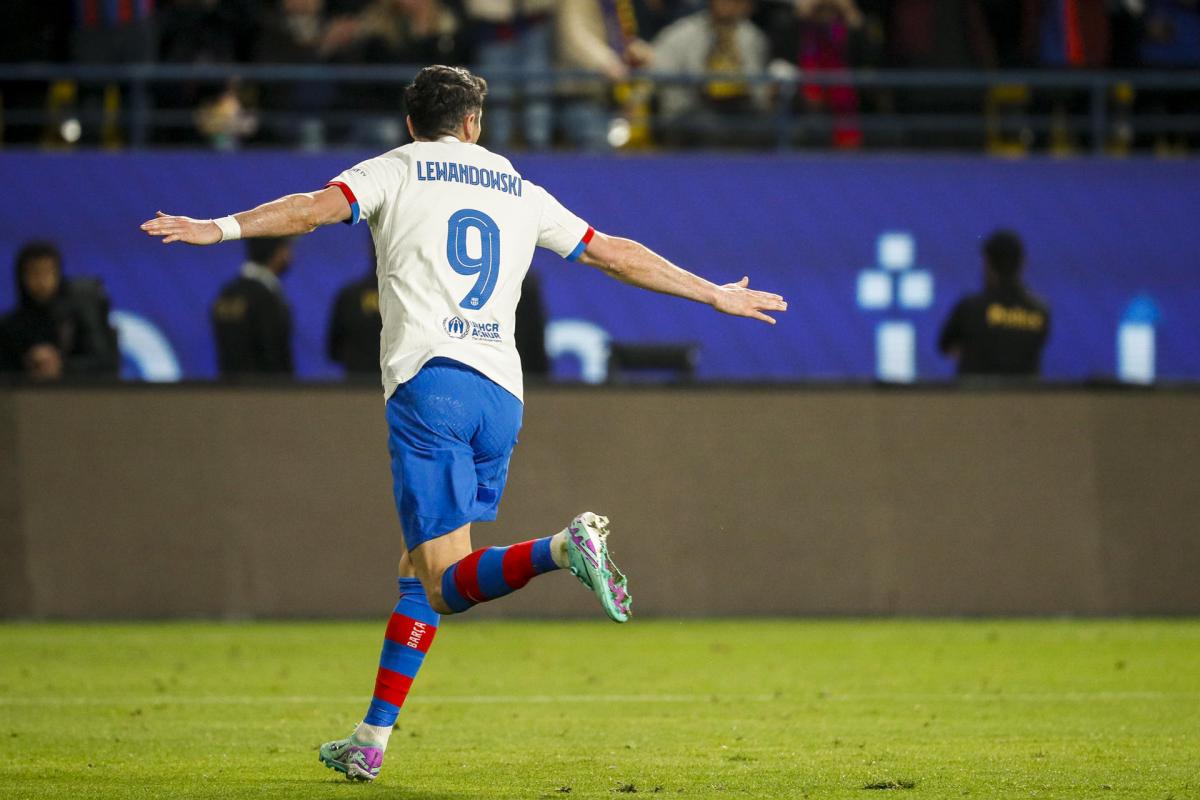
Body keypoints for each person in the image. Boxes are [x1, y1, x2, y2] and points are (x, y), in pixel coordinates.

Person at [140, 64, 786, 783]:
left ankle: (562, 549)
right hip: (500, 399)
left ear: (411, 122)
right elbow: (614, 254)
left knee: (446, 581)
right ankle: (371, 737)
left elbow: (311, 208)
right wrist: (713, 295)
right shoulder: (518, 187)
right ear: (474, 122)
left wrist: (218, 227)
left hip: (430, 385)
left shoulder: (395, 169)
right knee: (418, 574)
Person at [650, 0, 771, 146]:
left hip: (740, 107)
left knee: (764, 127)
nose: (728, 5)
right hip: (694, 106)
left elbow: (759, 84)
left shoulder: (752, 36)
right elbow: (656, 68)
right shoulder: (682, 32)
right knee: (707, 127)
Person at [938, 229, 1050, 377]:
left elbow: (946, 347)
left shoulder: (970, 309)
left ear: (987, 263)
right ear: (1022, 263)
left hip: (975, 397)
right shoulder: (1040, 311)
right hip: (1024, 398)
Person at [0, 241, 118, 381]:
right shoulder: (10, 326)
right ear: (21, 277)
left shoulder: (76, 319)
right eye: (34, 273)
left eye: (47, 272)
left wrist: (61, 365)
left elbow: (105, 365)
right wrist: (29, 364)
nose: (41, 282)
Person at [211, 237, 296, 377]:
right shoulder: (266, 298)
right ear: (275, 251)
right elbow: (274, 355)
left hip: (228, 393)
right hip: (266, 394)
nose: (289, 255)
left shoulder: (227, 292)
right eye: (286, 248)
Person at [328, 264, 383, 376]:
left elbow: (334, 351)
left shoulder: (349, 296)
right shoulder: (412, 299)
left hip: (356, 386)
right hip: (400, 387)